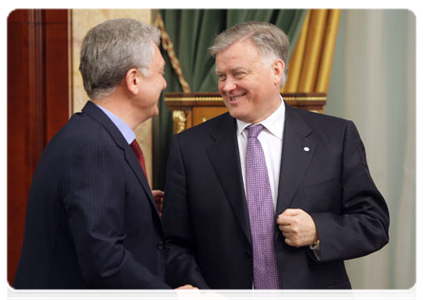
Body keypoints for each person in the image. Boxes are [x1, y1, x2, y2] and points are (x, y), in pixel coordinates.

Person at [162, 21, 389, 300]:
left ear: (276, 71)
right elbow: (174, 244)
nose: (227, 86)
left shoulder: (335, 137)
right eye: (221, 76)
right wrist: (205, 294)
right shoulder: (190, 147)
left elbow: (374, 223)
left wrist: (319, 230)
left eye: (238, 74)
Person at [10, 18, 204, 300]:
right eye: (161, 73)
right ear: (134, 80)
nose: (164, 84)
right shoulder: (93, 147)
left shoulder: (91, 135)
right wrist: (173, 298)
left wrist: (135, 205)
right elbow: (104, 260)